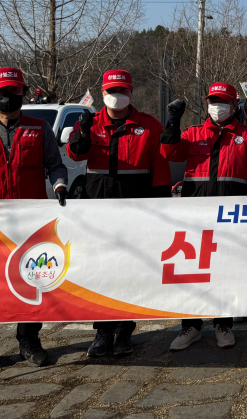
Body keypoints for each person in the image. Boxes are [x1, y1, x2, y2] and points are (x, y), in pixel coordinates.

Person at [0, 68, 68, 374]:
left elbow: (55, 165)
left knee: (33, 278)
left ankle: (29, 340)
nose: (8, 97)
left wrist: (60, 185)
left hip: (30, 222)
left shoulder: (40, 129)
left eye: (14, 92)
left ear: (23, 93)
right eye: (2, 93)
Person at [67, 69, 171, 358]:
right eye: (112, 91)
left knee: (130, 271)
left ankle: (125, 330)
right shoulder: (89, 123)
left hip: (135, 208)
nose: (117, 96)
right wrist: (83, 132)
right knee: (100, 270)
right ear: (102, 93)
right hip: (98, 208)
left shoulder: (148, 125)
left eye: (122, 91)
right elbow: (76, 154)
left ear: (131, 92)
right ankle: (102, 331)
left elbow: (160, 167)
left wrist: (160, 208)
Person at [161, 82, 247, 351]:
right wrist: (172, 121)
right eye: (213, 101)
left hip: (231, 217)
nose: (216, 106)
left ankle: (223, 324)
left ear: (234, 105)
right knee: (191, 270)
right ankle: (191, 326)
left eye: (222, 102)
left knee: (225, 270)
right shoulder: (192, 133)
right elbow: (169, 153)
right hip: (195, 215)